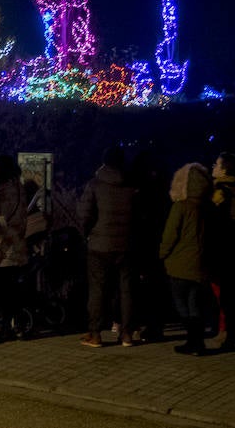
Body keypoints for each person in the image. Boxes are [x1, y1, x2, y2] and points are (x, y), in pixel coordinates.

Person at [77, 146, 138, 348]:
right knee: (126, 290)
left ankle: (95, 334)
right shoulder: (131, 184)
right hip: (126, 244)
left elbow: (84, 215)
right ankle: (127, 333)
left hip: (99, 245)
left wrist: (87, 235)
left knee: (98, 290)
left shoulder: (95, 185)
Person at [160, 162, 212, 356]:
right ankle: (197, 343)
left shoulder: (181, 207)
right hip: (200, 265)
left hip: (180, 264)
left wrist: (162, 253)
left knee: (182, 304)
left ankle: (193, 340)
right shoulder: (207, 208)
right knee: (194, 304)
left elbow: (170, 234)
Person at [208, 151, 235, 350]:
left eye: (216, 164)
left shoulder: (221, 192)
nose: (213, 166)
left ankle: (225, 332)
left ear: (224, 169)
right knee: (229, 292)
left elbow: (217, 221)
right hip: (232, 247)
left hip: (221, 248)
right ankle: (233, 329)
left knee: (222, 293)